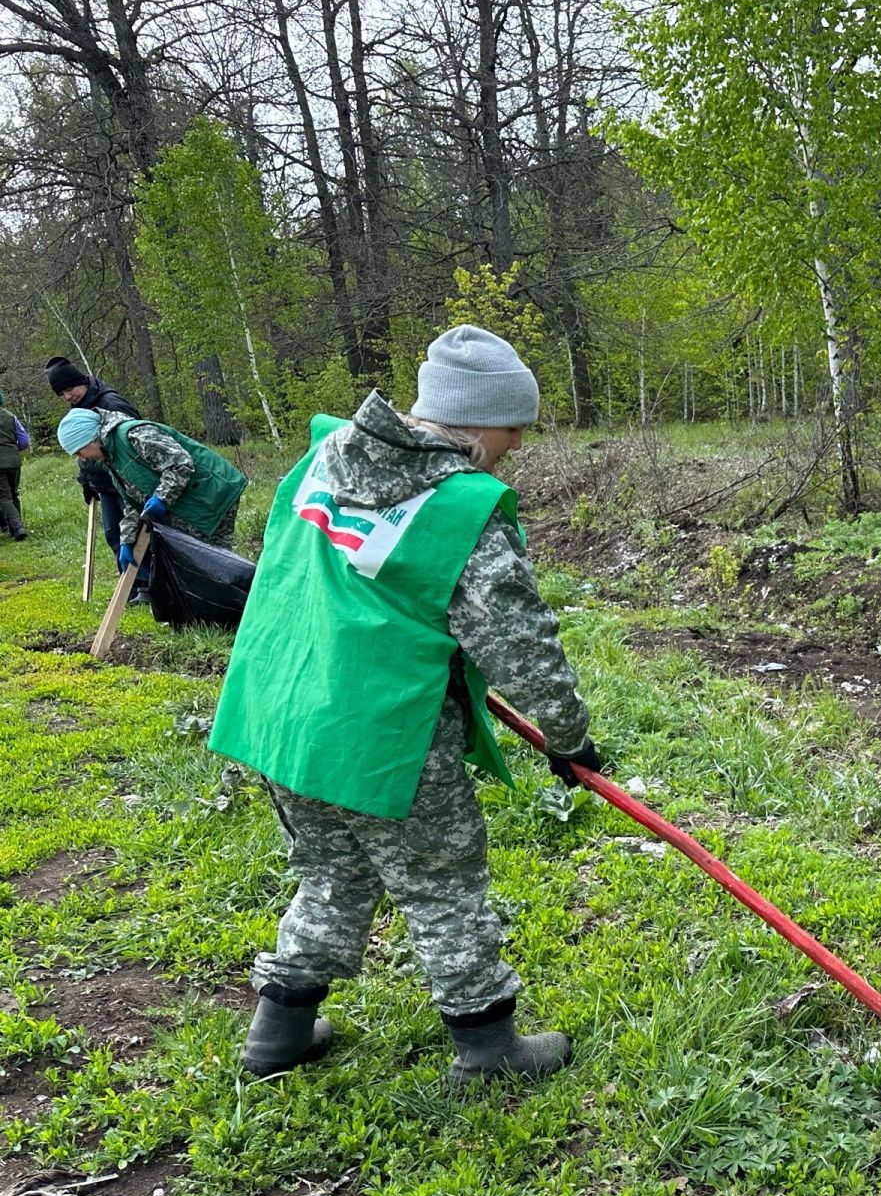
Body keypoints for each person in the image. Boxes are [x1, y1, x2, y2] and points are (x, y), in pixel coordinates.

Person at [207, 324, 600, 1090]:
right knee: (442, 883)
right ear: (477, 420)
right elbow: (518, 641)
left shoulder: (322, 461)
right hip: (385, 735)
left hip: (285, 719)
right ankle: (489, 1050)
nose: (517, 442)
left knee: (331, 871)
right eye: (513, 424)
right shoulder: (459, 505)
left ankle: (277, 1033)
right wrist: (570, 736)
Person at [55, 410, 247, 601]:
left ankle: (240, 607)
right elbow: (133, 499)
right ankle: (214, 610)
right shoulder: (111, 456)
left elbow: (180, 464)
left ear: (91, 439)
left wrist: (161, 498)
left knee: (214, 560)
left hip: (210, 493)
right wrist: (127, 539)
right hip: (189, 500)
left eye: (80, 451)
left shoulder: (136, 436)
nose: (82, 458)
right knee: (197, 561)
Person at [45, 357, 140, 568]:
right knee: (113, 534)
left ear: (82, 381)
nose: (68, 396)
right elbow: (83, 451)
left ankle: (146, 584)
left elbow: (135, 441)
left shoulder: (111, 403)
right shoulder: (79, 407)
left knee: (134, 533)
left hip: (125, 481)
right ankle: (130, 586)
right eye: (62, 394)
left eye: (70, 389)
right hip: (104, 483)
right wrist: (86, 481)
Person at [0, 391, 25, 541]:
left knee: (3, 496)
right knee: (13, 493)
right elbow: (24, 440)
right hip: (14, 460)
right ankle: (16, 525)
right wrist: (13, 450)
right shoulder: (10, 416)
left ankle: (16, 527)